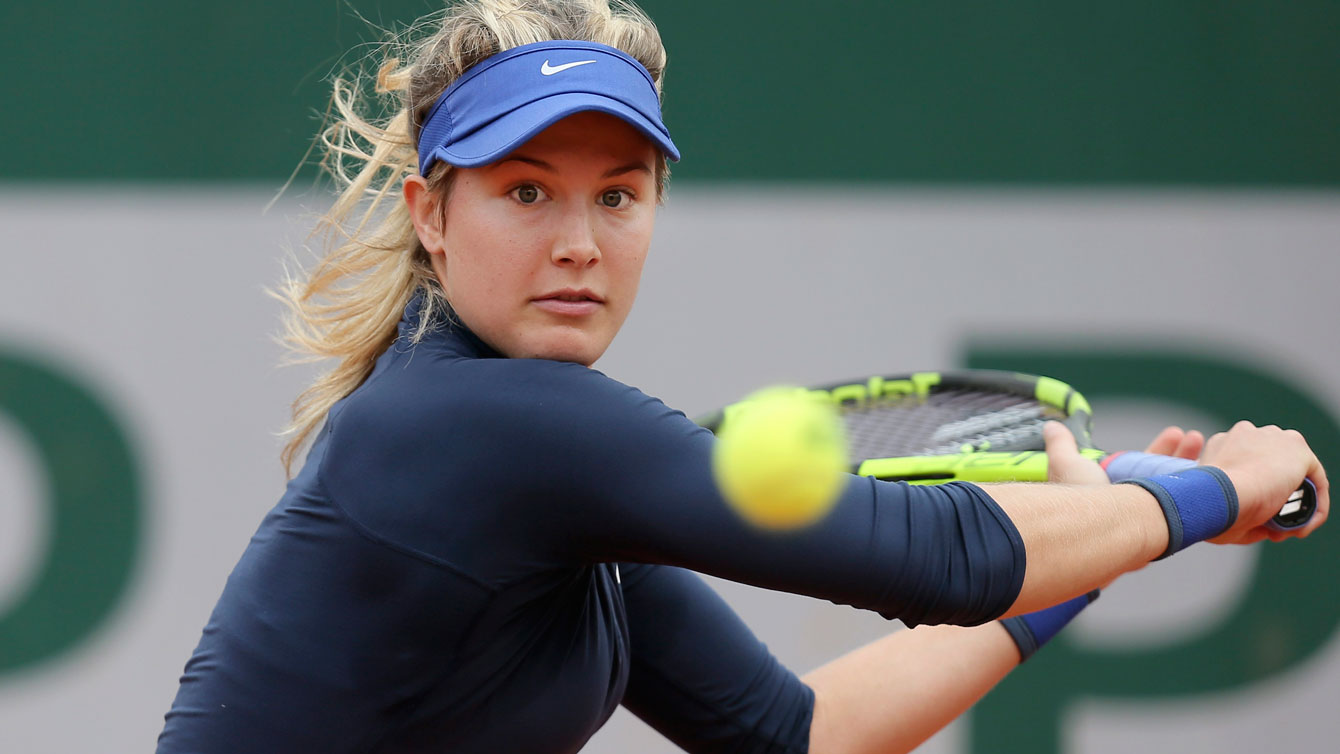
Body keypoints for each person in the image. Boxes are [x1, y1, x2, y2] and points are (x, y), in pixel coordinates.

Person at [156, 1, 1329, 752]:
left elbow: (797, 734)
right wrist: (1206, 493)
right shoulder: (477, 424)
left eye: (617, 195)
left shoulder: (558, 490)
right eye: (525, 191)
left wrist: (1104, 540)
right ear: (431, 216)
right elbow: (943, 561)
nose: (578, 240)